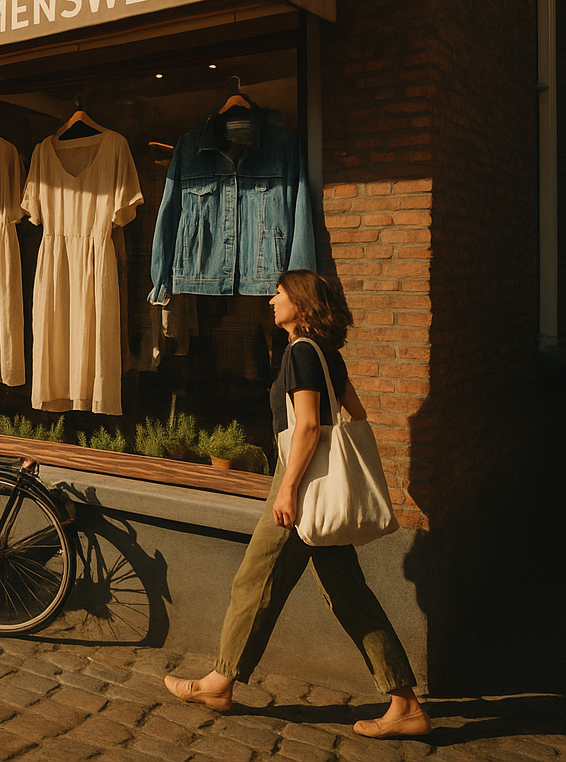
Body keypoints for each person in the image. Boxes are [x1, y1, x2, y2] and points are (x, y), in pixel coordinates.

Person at [163, 269, 430, 739]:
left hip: (300, 485)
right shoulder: (327, 354)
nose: (271, 300)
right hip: (317, 486)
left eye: (279, 293)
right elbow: (357, 416)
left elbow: (307, 426)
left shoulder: (302, 353)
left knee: (254, 580)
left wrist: (288, 488)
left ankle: (219, 682)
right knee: (350, 595)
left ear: (301, 304)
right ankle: (404, 702)